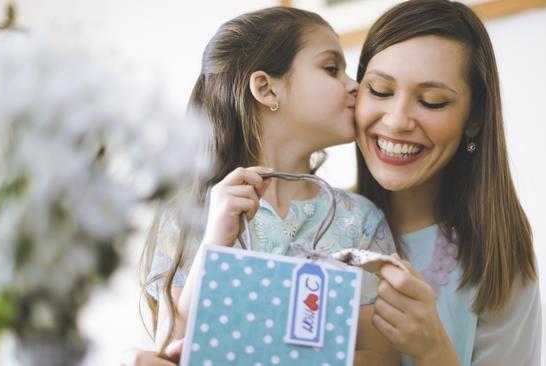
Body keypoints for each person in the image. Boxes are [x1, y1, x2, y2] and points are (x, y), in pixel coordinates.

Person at [135, 6, 399, 365]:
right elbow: (169, 350)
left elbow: (380, 357)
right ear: (266, 88)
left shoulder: (361, 222)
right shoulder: (192, 213)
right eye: (331, 68)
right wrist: (216, 243)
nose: (354, 85)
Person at [353, 1, 541, 365]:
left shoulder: (497, 253)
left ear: (473, 119)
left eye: (432, 101)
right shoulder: (312, 221)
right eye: (379, 90)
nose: (396, 122)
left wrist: (433, 349)